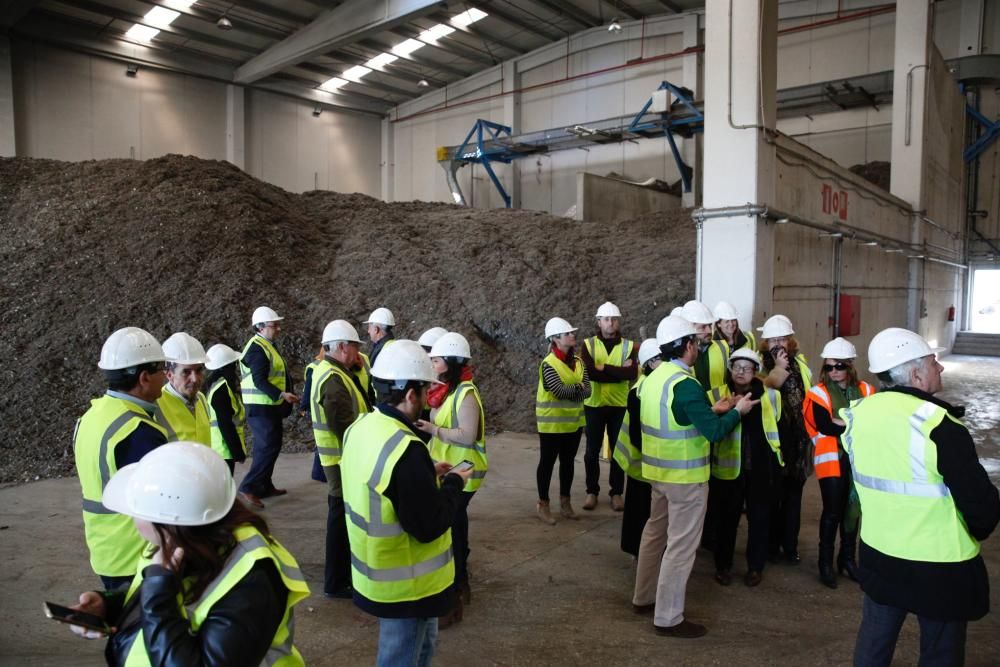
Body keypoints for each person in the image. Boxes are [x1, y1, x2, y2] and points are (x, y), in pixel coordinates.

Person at [66, 441, 310, 665]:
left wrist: (158, 591)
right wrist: (110, 607)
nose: (131, 518)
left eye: (137, 510)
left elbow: (167, 606)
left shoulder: (253, 579)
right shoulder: (180, 545)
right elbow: (180, 597)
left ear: (170, 521)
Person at [843, 328, 999, 667]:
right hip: (939, 566)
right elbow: (982, 510)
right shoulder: (940, 426)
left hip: (879, 555)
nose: (940, 368)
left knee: (873, 645)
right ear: (915, 374)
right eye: (934, 362)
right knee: (940, 654)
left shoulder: (857, 416)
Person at [341, 339, 473, 667]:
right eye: (426, 391)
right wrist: (455, 482)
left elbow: (382, 484)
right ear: (410, 394)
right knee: (402, 658)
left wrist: (426, 474)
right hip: (407, 585)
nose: (429, 398)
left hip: (377, 574)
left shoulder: (362, 427)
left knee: (418, 649)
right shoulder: (407, 450)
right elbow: (429, 525)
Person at [632, 315, 755, 638]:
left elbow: (678, 416)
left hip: (657, 474)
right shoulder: (686, 384)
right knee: (681, 546)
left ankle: (643, 598)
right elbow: (713, 433)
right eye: (697, 343)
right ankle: (668, 618)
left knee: (654, 535)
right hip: (685, 479)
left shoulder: (655, 378)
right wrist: (736, 412)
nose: (699, 348)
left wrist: (710, 409)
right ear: (687, 346)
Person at [74, 327, 169, 590]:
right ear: (144, 377)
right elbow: (163, 501)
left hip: (105, 548)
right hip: (136, 553)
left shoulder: (90, 417)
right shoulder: (138, 431)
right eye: (162, 369)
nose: (166, 375)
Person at [416, 332, 485, 627]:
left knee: (453, 528)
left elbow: (468, 436)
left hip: (465, 469)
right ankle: (459, 582)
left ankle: (458, 586)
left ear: (452, 363)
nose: (431, 363)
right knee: (455, 523)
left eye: (436, 359)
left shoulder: (465, 394)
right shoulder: (445, 391)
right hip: (449, 468)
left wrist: (434, 430)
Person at [706, 348, 783, 588]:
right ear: (730, 369)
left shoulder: (771, 396)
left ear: (756, 371)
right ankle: (723, 566)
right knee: (726, 520)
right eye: (736, 367)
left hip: (759, 468)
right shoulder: (716, 395)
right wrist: (732, 408)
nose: (741, 372)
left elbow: (777, 425)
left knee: (759, 519)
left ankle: (755, 567)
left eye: (747, 368)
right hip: (728, 470)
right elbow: (710, 427)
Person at [802, 337, 875, 588]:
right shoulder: (818, 393)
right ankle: (825, 563)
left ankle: (847, 559)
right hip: (832, 461)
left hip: (858, 461)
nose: (833, 372)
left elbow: (874, 421)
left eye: (839, 366)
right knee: (832, 511)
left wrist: (842, 421)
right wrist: (855, 420)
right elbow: (825, 426)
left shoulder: (866, 390)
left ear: (850, 366)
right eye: (829, 367)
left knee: (852, 512)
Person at [310, 320, 371, 600]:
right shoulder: (332, 379)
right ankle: (336, 581)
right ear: (343, 347)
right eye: (356, 346)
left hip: (340, 459)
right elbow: (344, 426)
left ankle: (339, 578)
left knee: (340, 517)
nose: (359, 352)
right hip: (340, 461)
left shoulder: (335, 372)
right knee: (340, 520)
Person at [759, 314, 812, 564]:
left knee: (794, 495)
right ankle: (771, 545)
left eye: (782, 338)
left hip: (798, 439)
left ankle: (790, 546)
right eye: (772, 340)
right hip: (774, 440)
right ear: (765, 343)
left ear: (790, 340)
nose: (778, 344)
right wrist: (779, 367)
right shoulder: (759, 365)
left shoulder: (800, 364)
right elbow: (764, 389)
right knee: (773, 495)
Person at [238, 306, 298, 510]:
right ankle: (248, 487)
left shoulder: (266, 345)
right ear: (261, 327)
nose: (279, 328)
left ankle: (264, 485)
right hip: (261, 407)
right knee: (266, 448)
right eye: (275, 325)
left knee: (271, 446)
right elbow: (259, 380)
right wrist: (281, 394)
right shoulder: (257, 348)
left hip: (268, 407)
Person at [580, 301, 637, 512]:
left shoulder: (628, 346)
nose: (610, 323)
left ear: (618, 321)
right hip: (594, 404)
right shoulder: (588, 344)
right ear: (598, 321)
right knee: (591, 451)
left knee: (618, 451)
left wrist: (602, 367)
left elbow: (631, 374)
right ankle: (591, 491)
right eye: (606, 319)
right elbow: (589, 373)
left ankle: (616, 493)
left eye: (614, 319)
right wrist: (616, 371)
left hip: (618, 406)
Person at [535, 317, 591, 525]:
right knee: (547, 464)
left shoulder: (579, 363)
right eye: (567, 333)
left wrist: (575, 391)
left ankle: (565, 503)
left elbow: (588, 391)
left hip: (573, 424)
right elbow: (558, 391)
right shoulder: (548, 364)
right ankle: (543, 504)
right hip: (551, 425)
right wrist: (577, 389)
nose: (572, 335)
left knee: (568, 463)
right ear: (555, 339)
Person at [614, 338, 661, 557]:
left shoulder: (654, 386)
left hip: (646, 463)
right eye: (662, 359)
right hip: (641, 462)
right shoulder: (639, 391)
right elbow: (636, 435)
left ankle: (640, 549)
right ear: (650, 363)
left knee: (642, 509)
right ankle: (637, 551)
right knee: (639, 510)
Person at [155, 332, 211, 445]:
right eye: (186, 372)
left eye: (199, 370)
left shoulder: (201, 399)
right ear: (169, 375)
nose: (195, 379)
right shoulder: (156, 406)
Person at [205, 343, 247, 475]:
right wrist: (237, 451)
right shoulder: (221, 390)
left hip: (220, 445)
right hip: (223, 447)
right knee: (225, 481)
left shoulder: (215, 385)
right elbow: (225, 424)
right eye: (234, 364)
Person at [680, 300, 731, 391]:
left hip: (725, 404)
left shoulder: (723, 347)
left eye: (709, 325)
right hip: (698, 405)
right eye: (703, 327)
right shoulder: (680, 356)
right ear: (689, 328)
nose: (709, 330)